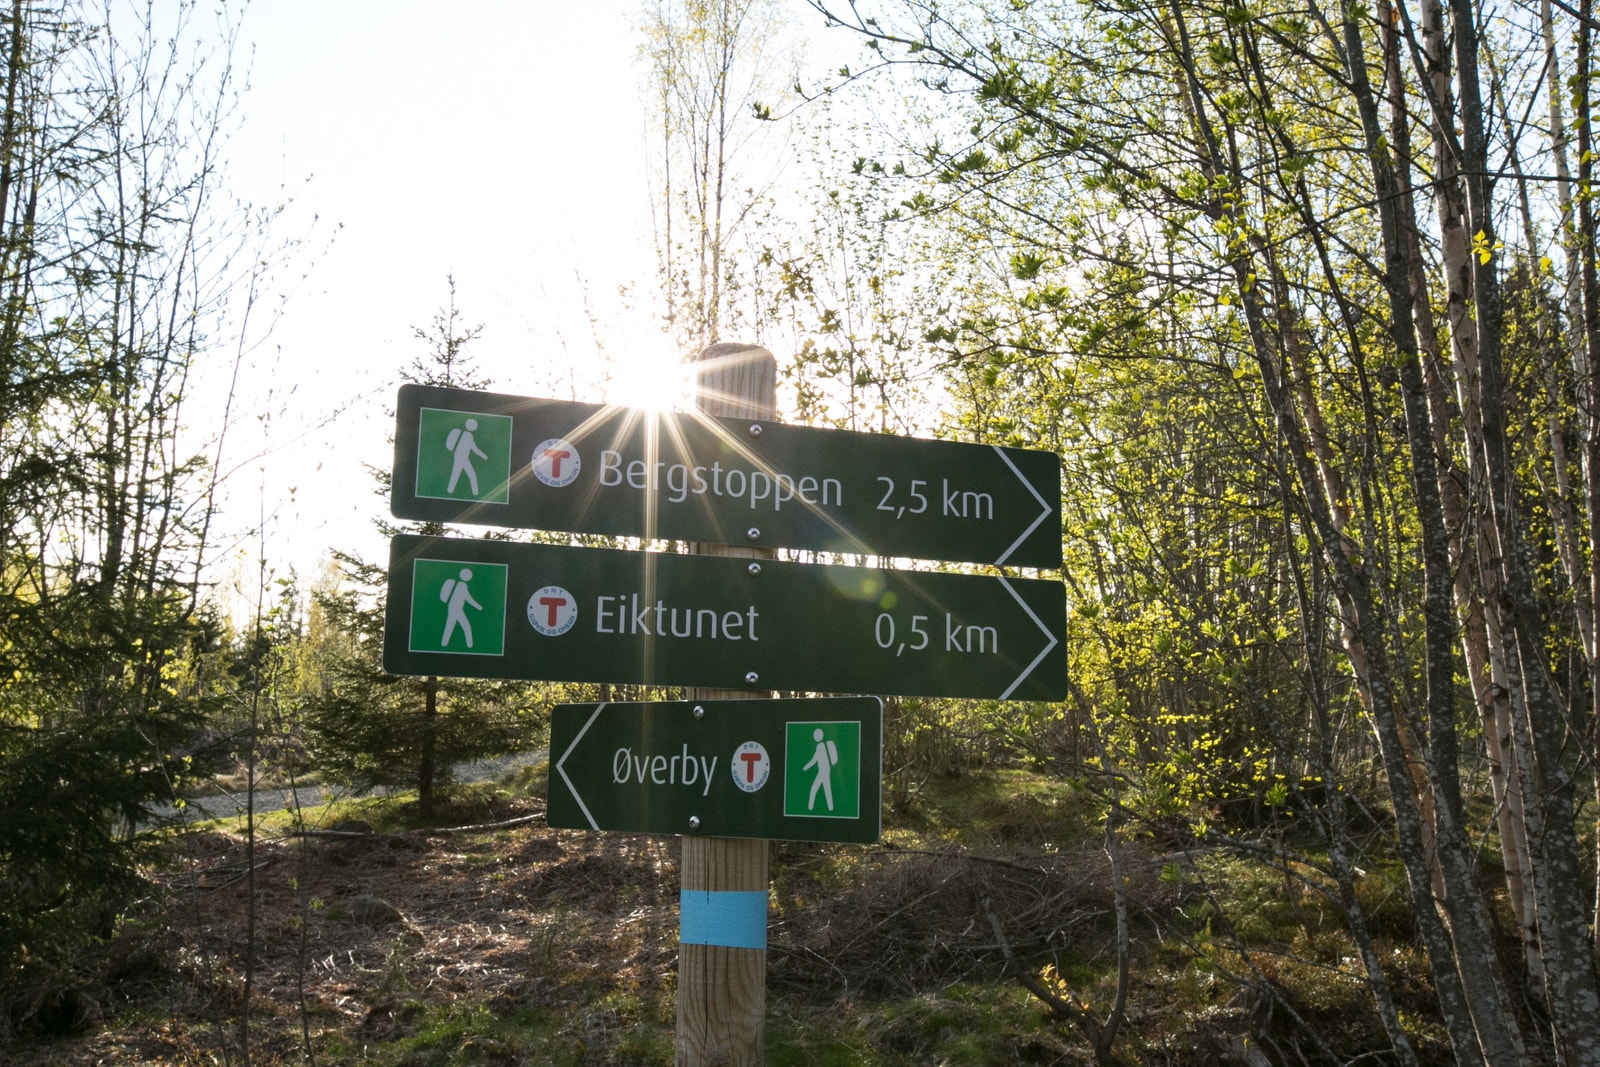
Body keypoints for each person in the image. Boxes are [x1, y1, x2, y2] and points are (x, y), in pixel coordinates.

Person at [445, 418, 487, 495]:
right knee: (460, 474)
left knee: (466, 474)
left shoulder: (461, 433)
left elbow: (474, 448)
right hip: (462, 458)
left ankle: (451, 490)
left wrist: (484, 456)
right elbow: (475, 449)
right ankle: (450, 491)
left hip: (460, 457)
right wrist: (485, 457)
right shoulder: (469, 436)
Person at [804, 727, 839, 811]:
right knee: (827, 789)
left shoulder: (819, 746)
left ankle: (810, 808)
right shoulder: (826, 744)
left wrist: (805, 768)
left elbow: (814, 760)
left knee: (814, 789)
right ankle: (830, 808)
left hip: (823, 772)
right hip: (827, 770)